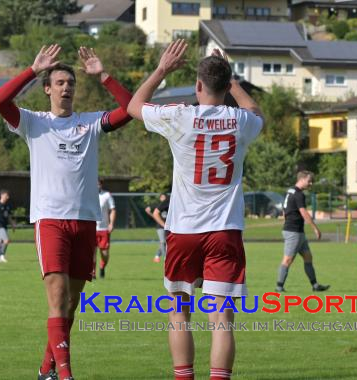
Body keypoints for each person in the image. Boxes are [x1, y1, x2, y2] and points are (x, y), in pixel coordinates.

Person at [0, 44, 133, 380]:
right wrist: (32, 69)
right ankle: (66, 375)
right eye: (59, 82)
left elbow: (130, 110)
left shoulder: (91, 123)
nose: (66, 87)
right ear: (47, 89)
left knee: (70, 306)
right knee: (57, 300)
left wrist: (104, 76)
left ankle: (46, 370)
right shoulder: (33, 123)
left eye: (71, 83)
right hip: (51, 221)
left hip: (86, 222)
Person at [127, 41, 263, 380]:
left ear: (198, 86)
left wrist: (162, 69)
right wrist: (231, 79)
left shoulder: (180, 116)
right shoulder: (240, 120)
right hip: (224, 231)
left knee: (178, 315)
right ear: (226, 85)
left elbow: (134, 106)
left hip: (183, 230)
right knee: (221, 322)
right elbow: (257, 112)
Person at [275, 170, 329, 292]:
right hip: (294, 232)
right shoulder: (299, 194)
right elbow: (304, 213)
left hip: (297, 231)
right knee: (288, 259)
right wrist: (315, 228)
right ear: (302, 179)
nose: (311, 184)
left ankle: (315, 286)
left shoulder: (290, 191)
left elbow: (284, 210)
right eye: (309, 181)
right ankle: (279, 286)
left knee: (308, 257)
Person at [95, 179, 116, 278]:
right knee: (91, 253)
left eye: (98, 184)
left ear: (101, 185)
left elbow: (112, 210)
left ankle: (102, 267)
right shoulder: (87, 195)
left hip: (104, 229)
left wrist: (111, 224)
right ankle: (92, 273)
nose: (96, 186)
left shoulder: (107, 195)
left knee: (105, 254)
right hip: (91, 229)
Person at [0, 189, 15, 263]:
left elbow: (8, 217)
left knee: (0, 242)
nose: (7, 197)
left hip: (4, 226)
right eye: (6, 195)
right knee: (6, 241)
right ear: (2, 195)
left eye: (8, 196)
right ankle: (2, 255)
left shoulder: (7, 206)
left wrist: (12, 225)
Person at [152, 193, 169, 263]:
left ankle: (157, 256)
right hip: (160, 227)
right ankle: (165, 257)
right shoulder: (158, 205)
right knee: (162, 242)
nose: (163, 198)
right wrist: (163, 224)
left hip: (168, 227)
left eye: (164, 197)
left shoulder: (169, 204)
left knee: (167, 243)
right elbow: (154, 213)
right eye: (161, 197)